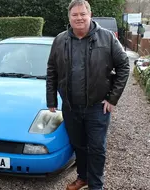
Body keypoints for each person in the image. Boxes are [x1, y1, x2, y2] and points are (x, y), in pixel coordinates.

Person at [46, 0, 130, 189]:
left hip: (97, 107)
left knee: (97, 148)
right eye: (75, 15)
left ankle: (96, 185)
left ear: (90, 15)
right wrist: (51, 99)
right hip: (70, 106)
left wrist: (112, 98)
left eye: (83, 14)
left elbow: (124, 66)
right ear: (69, 17)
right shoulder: (60, 40)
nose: (79, 18)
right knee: (79, 145)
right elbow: (52, 70)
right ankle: (83, 177)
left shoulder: (107, 38)